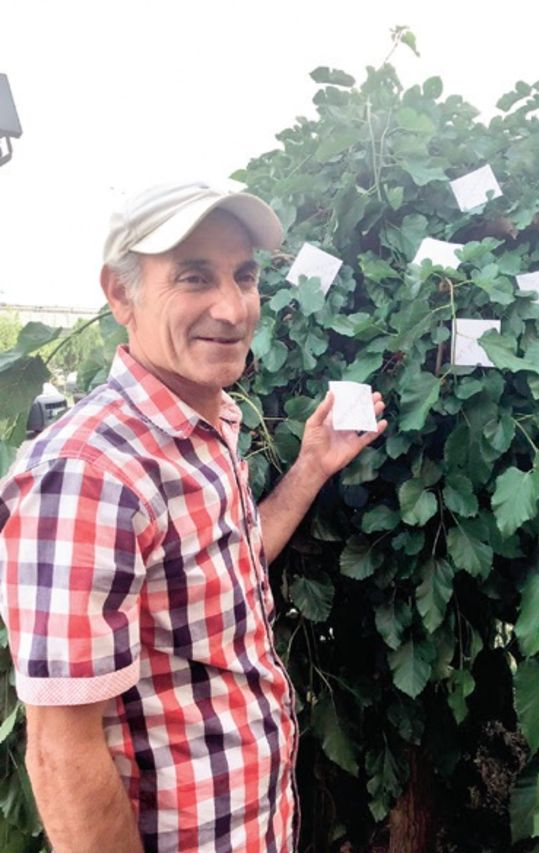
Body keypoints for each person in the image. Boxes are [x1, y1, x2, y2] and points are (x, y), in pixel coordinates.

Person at [0, 180, 386, 853]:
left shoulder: (207, 427)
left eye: (245, 276)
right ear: (121, 295)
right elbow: (61, 751)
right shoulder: (89, 472)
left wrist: (310, 466)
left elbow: (227, 569)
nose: (232, 308)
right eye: (194, 277)